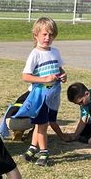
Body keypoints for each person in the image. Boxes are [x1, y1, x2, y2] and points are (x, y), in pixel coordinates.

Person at [19, 17, 67, 166]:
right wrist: (45, 79)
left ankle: (32, 149)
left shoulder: (55, 52)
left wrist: (63, 75)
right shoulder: (35, 54)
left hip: (53, 95)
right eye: (44, 34)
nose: (48, 38)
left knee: (42, 124)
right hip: (40, 96)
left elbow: (59, 68)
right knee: (42, 125)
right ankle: (44, 152)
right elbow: (25, 76)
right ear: (36, 35)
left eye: (51, 34)